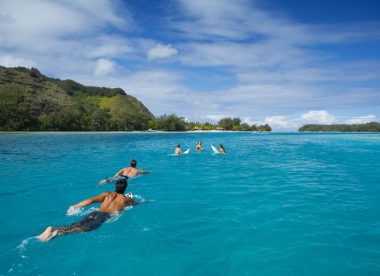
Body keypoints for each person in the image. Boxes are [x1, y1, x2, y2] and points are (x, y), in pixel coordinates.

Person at [38, 179, 136, 242]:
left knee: (77, 223)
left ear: (115, 186)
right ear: (125, 188)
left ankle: (54, 229)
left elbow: (90, 200)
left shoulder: (107, 193)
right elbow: (136, 204)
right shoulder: (127, 199)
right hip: (104, 216)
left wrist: (76, 206)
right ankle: (57, 234)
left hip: (95, 212)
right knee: (85, 228)